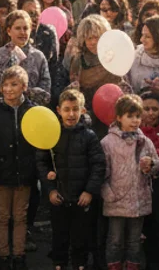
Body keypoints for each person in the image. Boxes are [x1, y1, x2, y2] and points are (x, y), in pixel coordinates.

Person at [39, 88, 105, 270]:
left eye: (75, 109)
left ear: (83, 111)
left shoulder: (89, 136)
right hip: (59, 198)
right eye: (67, 109)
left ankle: (79, 264)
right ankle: (59, 264)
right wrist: (50, 189)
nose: (71, 114)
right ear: (59, 110)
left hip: (81, 199)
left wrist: (89, 191)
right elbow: (42, 163)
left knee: (80, 238)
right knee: (59, 236)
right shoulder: (51, 135)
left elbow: (99, 165)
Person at [0, 66, 38, 270]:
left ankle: (19, 255)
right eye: (5, 85)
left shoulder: (32, 111)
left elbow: (37, 143)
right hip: (1, 173)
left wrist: (33, 170)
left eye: (14, 84)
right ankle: (3, 256)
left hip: (25, 173)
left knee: (21, 216)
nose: (9, 89)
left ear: (24, 86)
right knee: (3, 216)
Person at [101, 93, 159, 270]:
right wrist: (108, 193)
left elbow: (158, 163)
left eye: (137, 116)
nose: (135, 121)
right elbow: (102, 171)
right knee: (115, 240)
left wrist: (151, 165)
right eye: (130, 116)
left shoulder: (145, 141)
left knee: (135, 241)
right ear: (119, 117)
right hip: (116, 200)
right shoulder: (108, 142)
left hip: (138, 200)